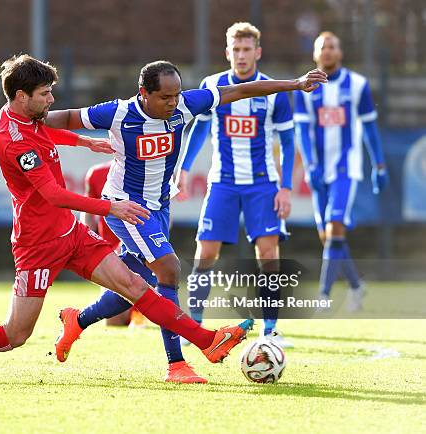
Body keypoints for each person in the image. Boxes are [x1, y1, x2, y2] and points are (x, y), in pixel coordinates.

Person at [0, 54, 261, 381]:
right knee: (15, 335)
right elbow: (53, 195)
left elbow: (47, 129)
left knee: (135, 285)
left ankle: (209, 342)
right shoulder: (14, 140)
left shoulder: (22, 115)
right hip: (38, 245)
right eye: (45, 94)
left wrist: (85, 141)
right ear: (22, 96)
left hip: (71, 234)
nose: (51, 101)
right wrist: (110, 207)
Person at [45, 59, 327, 382]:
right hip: (125, 207)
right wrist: (24, 118)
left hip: (160, 206)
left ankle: (76, 321)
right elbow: (68, 117)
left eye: (177, 94)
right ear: (144, 94)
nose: (173, 102)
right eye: (165, 97)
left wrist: (295, 83)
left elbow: (243, 89)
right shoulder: (118, 113)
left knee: (139, 281)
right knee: (169, 269)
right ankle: (177, 364)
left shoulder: (186, 104)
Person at [178, 22, 295, 348]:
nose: (241, 56)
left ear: (257, 52)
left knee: (269, 254)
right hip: (223, 184)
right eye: (236, 50)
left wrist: (285, 187)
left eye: (247, 50)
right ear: (227, 52)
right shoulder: (213, 85)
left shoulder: (273, 90)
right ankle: (195, 326)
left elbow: (288, 141)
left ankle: (270, 329)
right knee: (206, 253)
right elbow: (199, 130)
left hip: (263, 185)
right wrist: (184, 168)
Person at [293, 32, 388, 311]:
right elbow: (302, 129)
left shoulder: (357, 85)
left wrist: (379, 164)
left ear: (340, 53)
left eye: (333, 46)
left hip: (347, 167)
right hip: (318, 169)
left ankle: (323, 295)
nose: (328, 51)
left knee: (335, 227)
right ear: (315, 54)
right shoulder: (306, 87)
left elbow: (369, 127)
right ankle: (357, 286)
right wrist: (310, 165)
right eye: (323, 47)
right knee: (329, 237)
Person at [82, 160, 151, 327]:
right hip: (110, 253)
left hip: (141, 251)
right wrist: (88, 240)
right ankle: (136, 311)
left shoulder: (148, 171)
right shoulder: (97, 173)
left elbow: (163, 214)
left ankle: (143, 308)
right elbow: (88, 212)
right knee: (114, 322)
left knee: (157, 306)